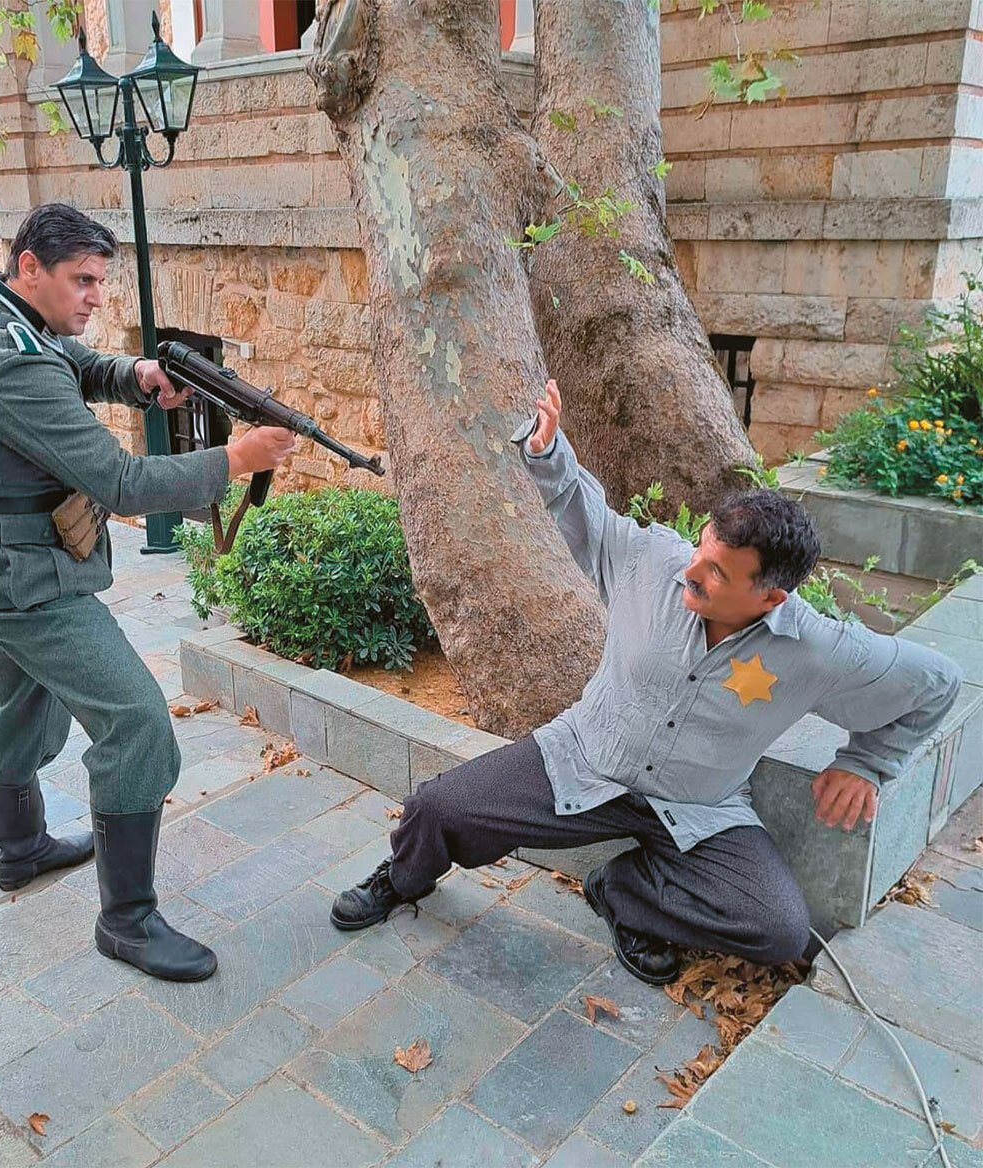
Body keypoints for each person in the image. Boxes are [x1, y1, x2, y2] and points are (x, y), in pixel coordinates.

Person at [330, 380, 962, 985]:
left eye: (717, 572)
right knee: (435, 806)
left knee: (778, 929)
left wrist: (869, 762)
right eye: (700, 549)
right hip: (584, 760)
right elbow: (588, 517)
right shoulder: (653, 562)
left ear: (770, 597)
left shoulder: (820, 649)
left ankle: (623, 893)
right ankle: (402, 879)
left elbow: (938, 682)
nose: (692, 570)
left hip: (699, 808)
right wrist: (549, 453)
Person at [0, 203, 295, 982]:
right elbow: (122, 483)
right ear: (31, 267)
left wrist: (133, 376)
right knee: (134, 720)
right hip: (27, 580)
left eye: (101, 280)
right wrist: (237, 457)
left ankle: (21, 850)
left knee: (20, 702)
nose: (96, 297)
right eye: (82, 280)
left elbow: (67, 362)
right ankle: (126, 922)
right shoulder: (5, 362)